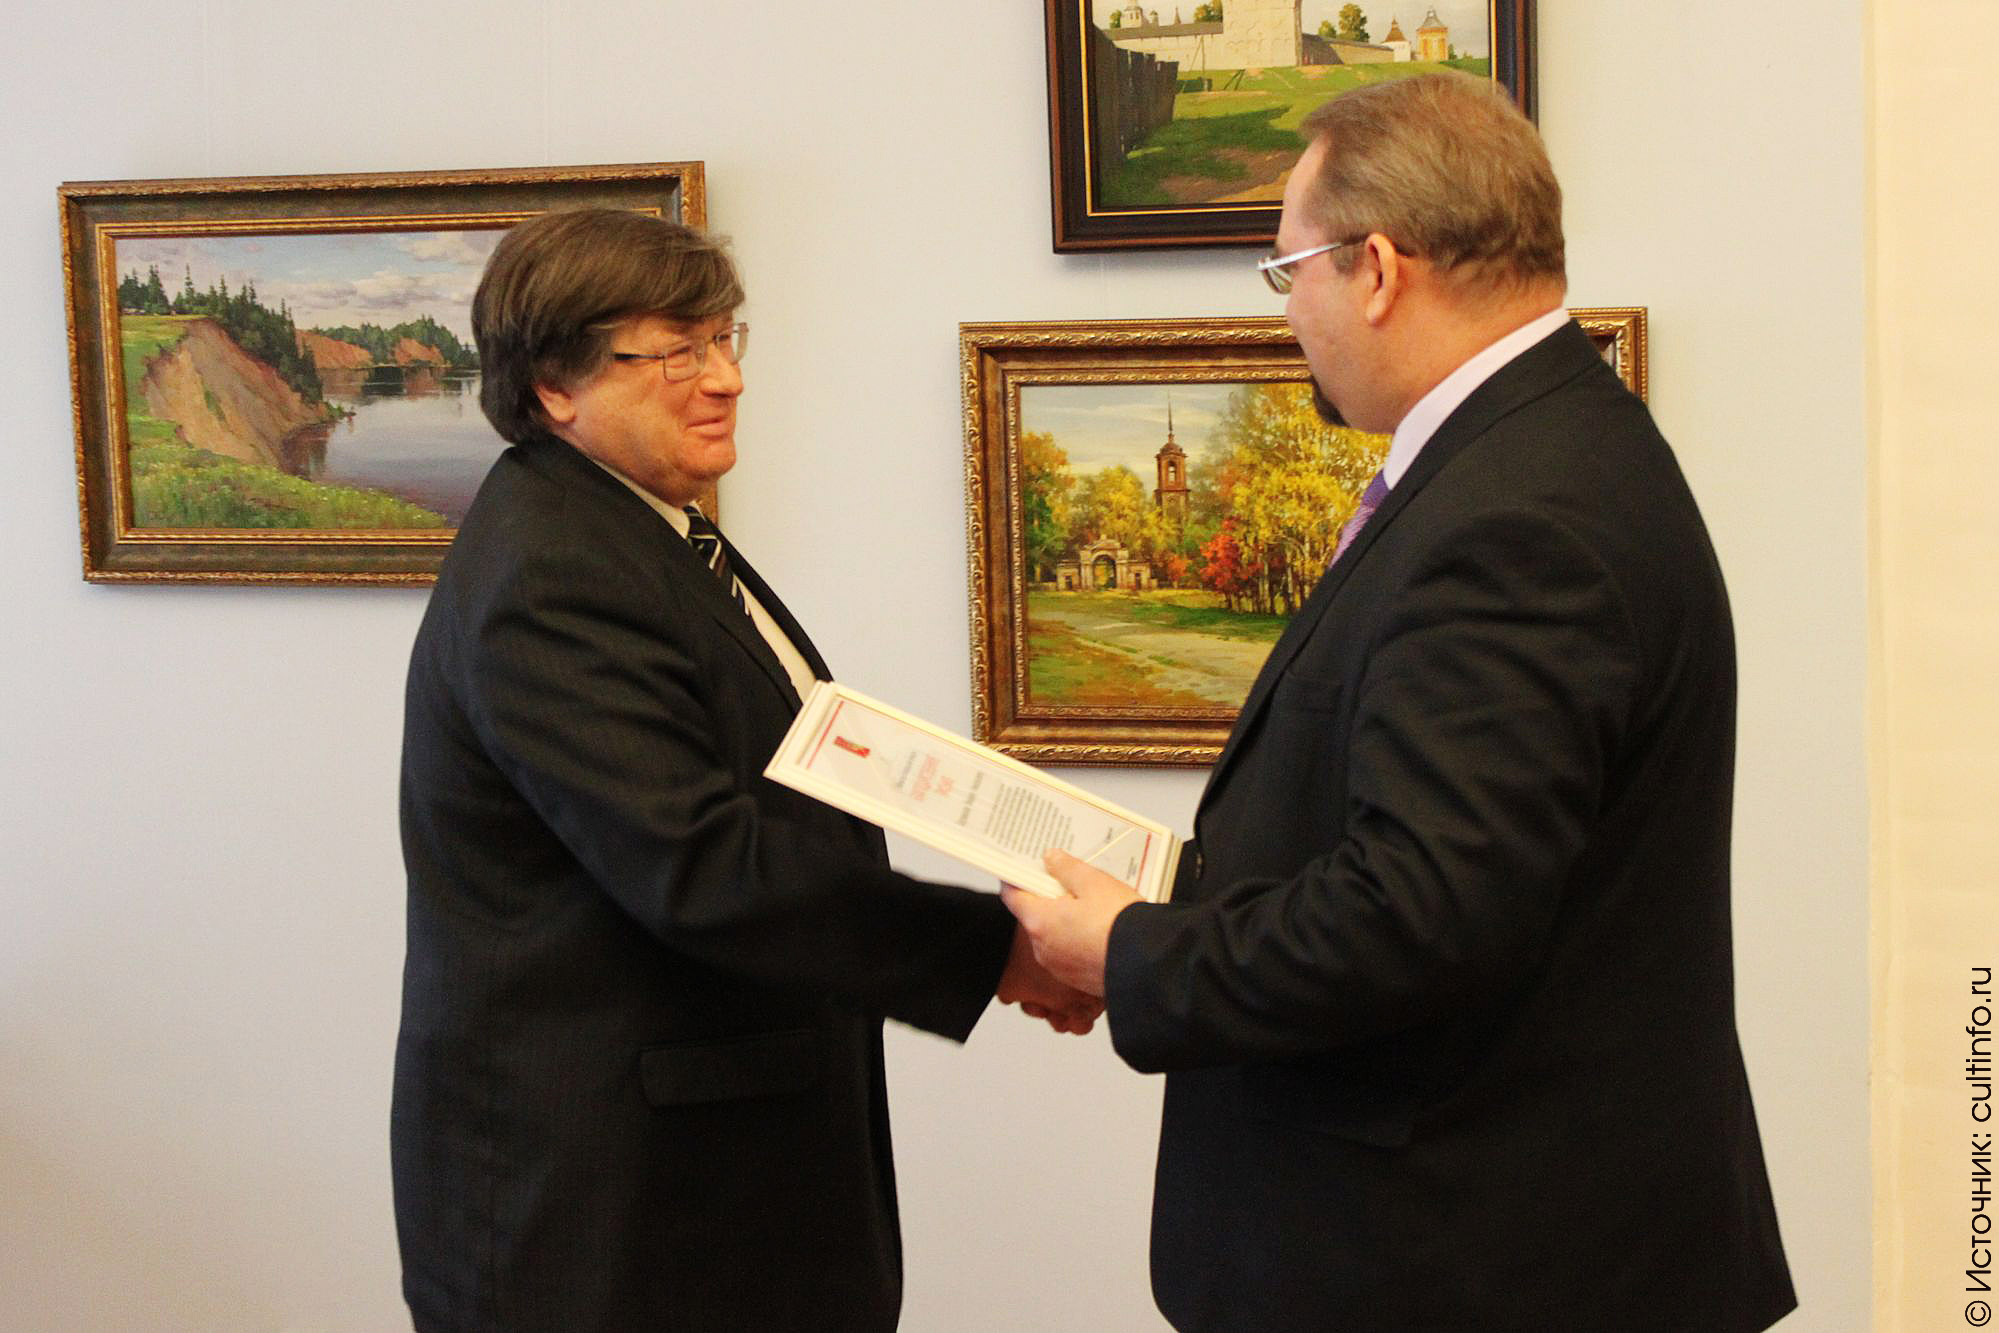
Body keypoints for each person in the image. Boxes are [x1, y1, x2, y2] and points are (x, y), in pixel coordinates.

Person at [1005, 74, 1796, 1331]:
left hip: (1471, 1258)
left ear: (1374, 269)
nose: (1287, 315)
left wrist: (1136, 954)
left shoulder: (1515, 516)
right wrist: (1170, 914)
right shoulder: (1545, 447)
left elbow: (1420, 911)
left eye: (1287, 273)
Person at [393, 208, 1096, 1331]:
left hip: (710, 1175)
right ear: (556, 385)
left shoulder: (639, 528)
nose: (724, 377)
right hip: (614, 1214)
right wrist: (998, 949)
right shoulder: (550, 570)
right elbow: (700, 863)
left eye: (724, 338)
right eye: (675, 352)